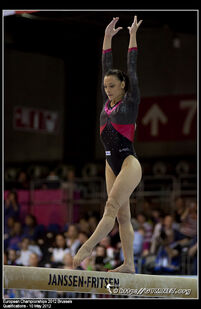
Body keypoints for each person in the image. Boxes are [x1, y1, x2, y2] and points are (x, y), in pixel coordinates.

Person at [73, 16, 143, 273]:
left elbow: (132, 66)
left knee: (111, 206)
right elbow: (105, 64)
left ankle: (88, 245)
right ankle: (129, 264)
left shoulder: (131, 101)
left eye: (112, 85)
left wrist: (132, 35)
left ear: (123, 85)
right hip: (110, 162)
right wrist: (107, 37)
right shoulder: (108, 102)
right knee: (123, 216)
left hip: (128, 161)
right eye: (105, 86)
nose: (108, 89)